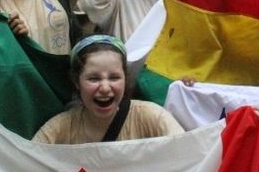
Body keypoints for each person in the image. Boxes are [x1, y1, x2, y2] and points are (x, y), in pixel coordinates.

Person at [33, 35, 185, 144]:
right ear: (76, 81)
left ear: (125, 78)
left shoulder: (153, 118)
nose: (105, 88)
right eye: (94, 78)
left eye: (114, 78)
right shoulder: (58, 130)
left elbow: (188, 153)